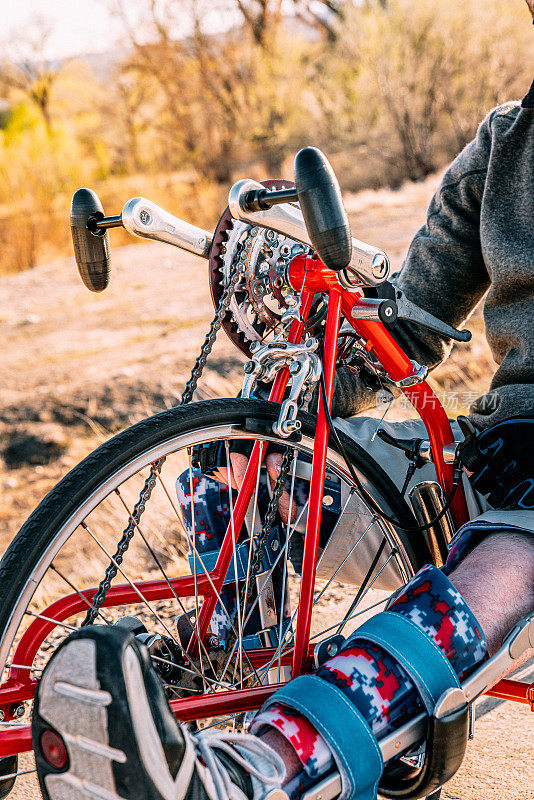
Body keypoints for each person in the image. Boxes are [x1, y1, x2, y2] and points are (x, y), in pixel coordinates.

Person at [31, 5, 534, 799]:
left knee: (506, 565)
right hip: (501, 452)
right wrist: (308, 350)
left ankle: (254, 771)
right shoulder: (508, 143)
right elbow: (411, 323)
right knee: (244, 465)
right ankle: (222, 682)